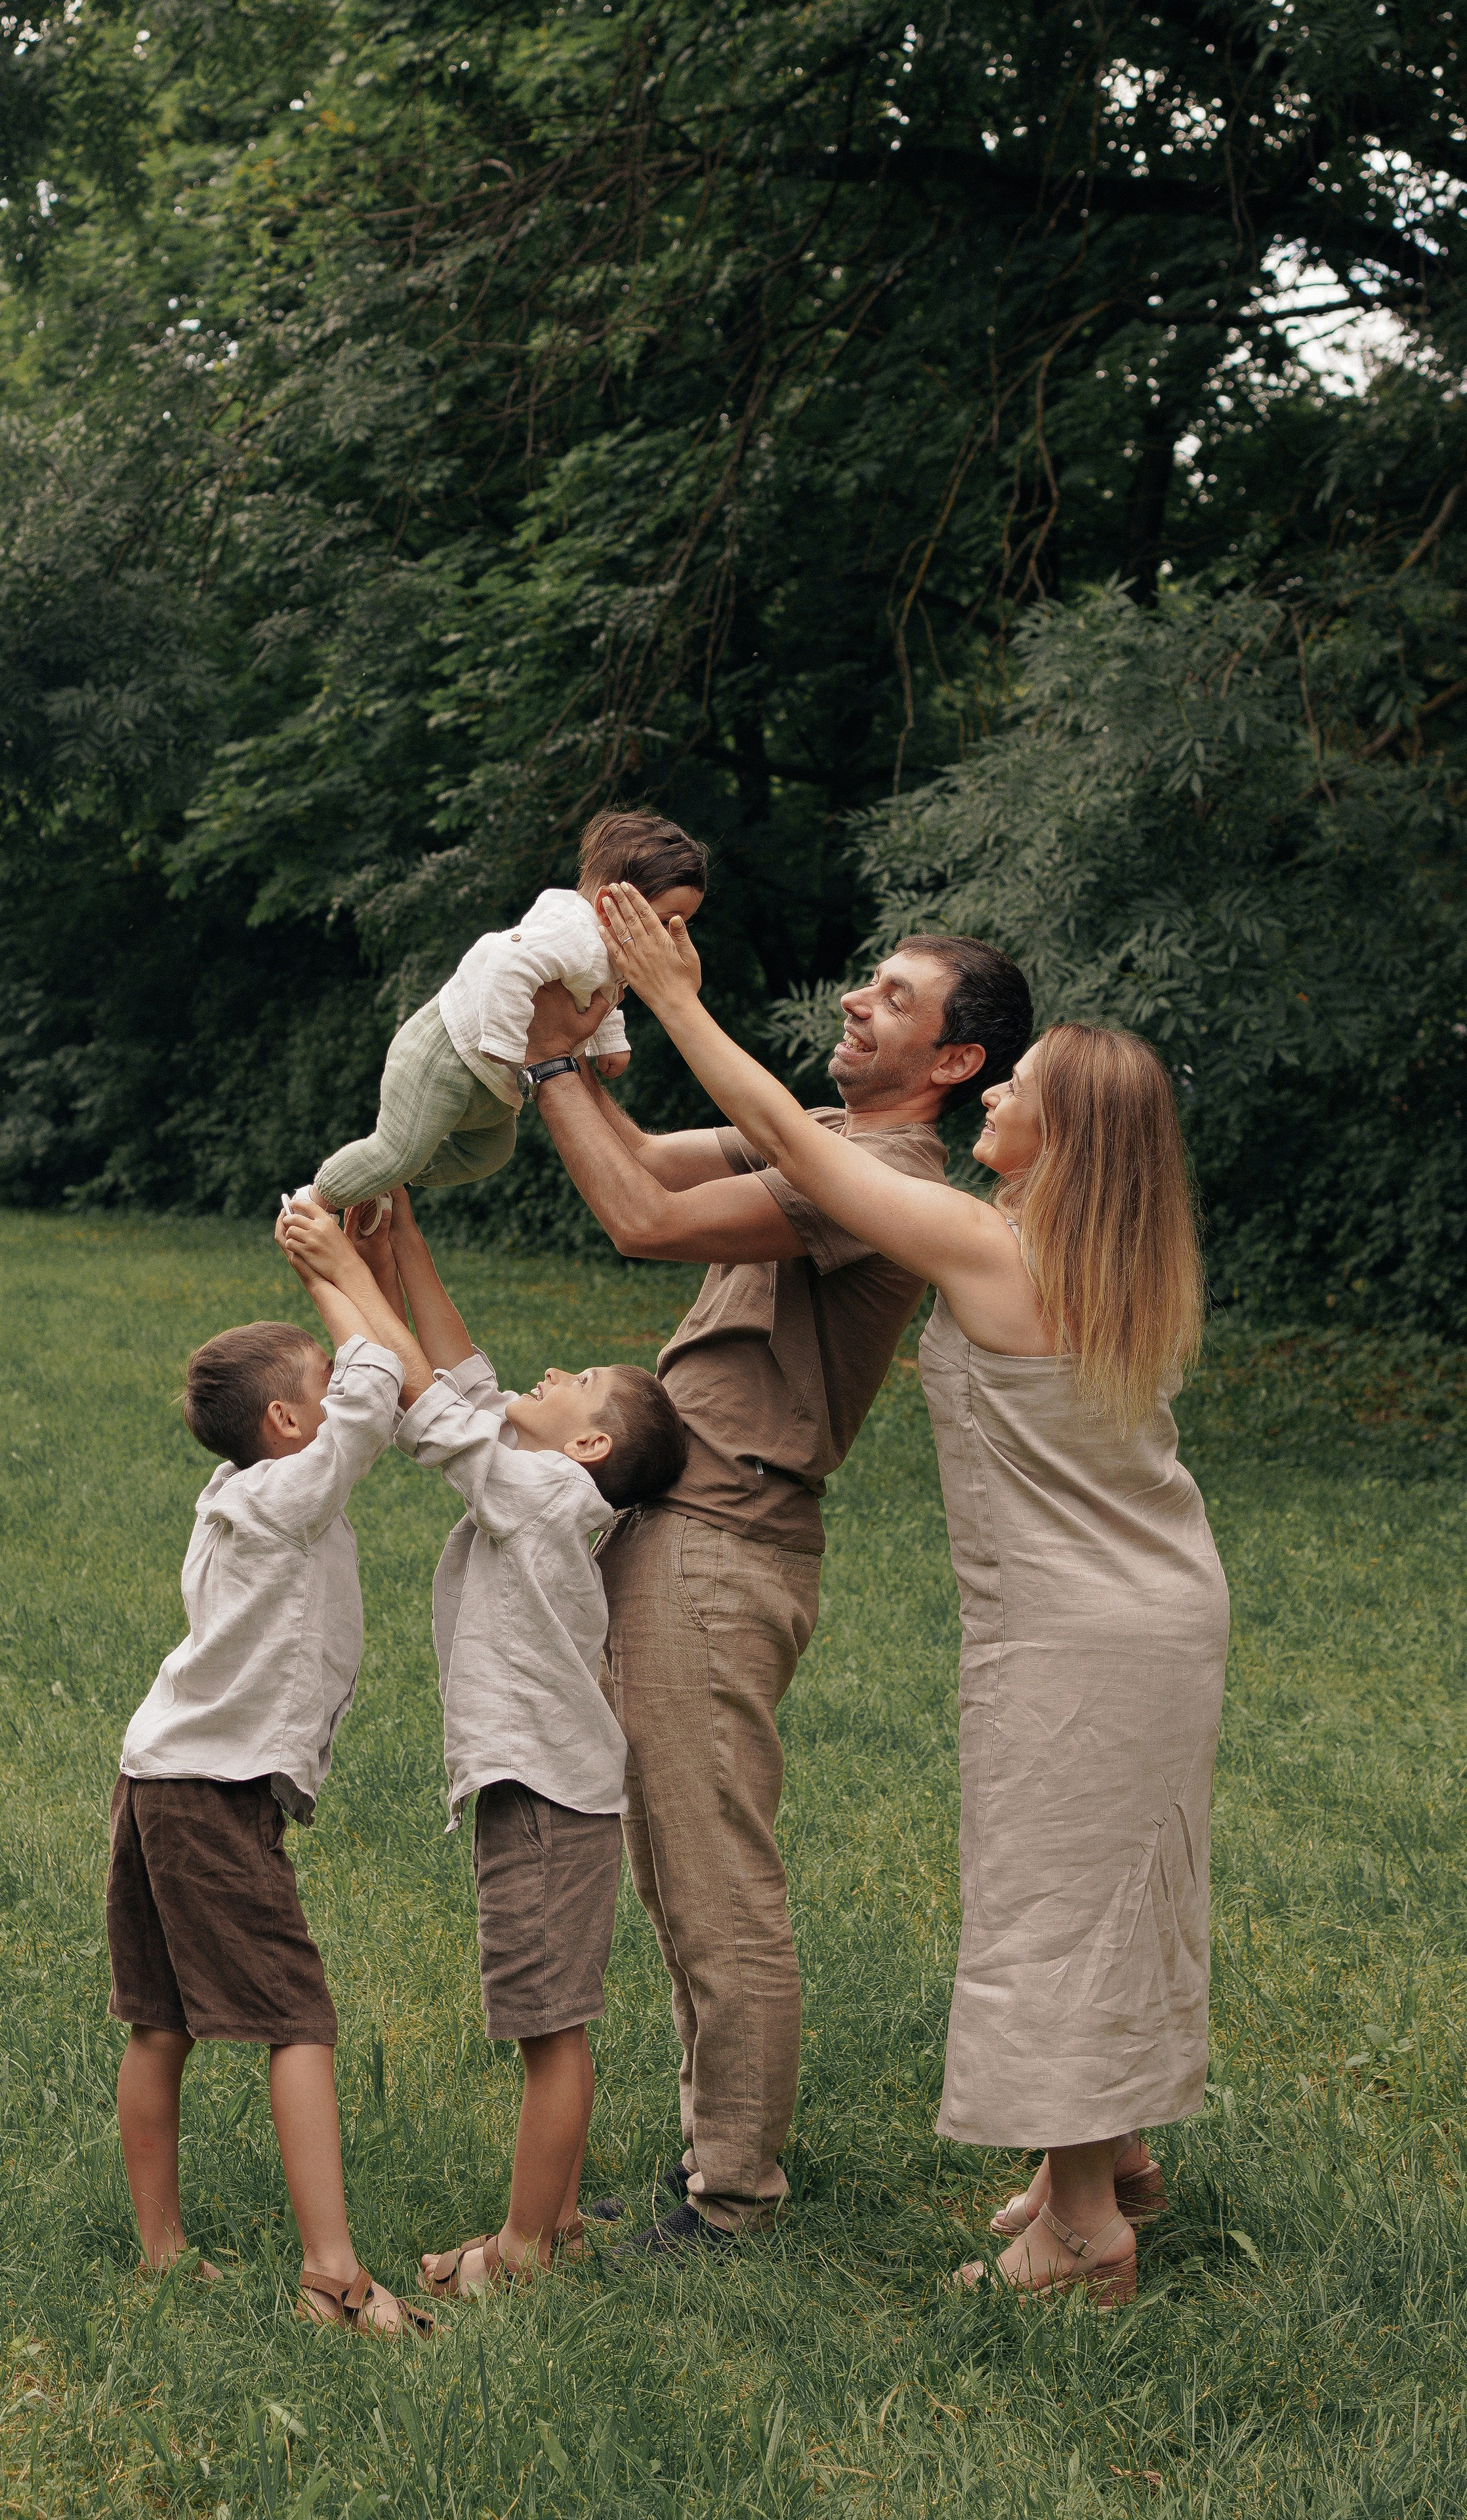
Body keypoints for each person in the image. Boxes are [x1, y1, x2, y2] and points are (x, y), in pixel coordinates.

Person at [598, 881, 1228, 2305]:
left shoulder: (992, 1246)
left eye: (1022, 1088)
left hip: (1076, 1632)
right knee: (1117, 1887)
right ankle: (1105, 2157)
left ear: (1062, 1139)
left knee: (1050, 1901)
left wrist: (679, 1000)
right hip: (1149, 1614)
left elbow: (799, 1160)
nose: (994, 1094)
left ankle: (1083, 2241)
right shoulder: (1098, 1260)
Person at [514, 924, 1033, 2252]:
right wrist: (567, 1044)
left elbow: (641, 1223)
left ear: (954, 1058)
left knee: (711, 1879)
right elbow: (630, 1161)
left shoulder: (879, 1176)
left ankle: (732, 2198)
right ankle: (710, 2163)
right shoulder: (813, 1131)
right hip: (686, 1530)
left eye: (895, 1000)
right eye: (869, 981)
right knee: (674, 1870)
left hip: (724, 1542)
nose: (856, 1002)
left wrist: (558, 1063)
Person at [283, 1192, 688, 2298]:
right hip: (549, 1791)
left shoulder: (547, 1496)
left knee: (550, 2035)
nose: (552, 1377)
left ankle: (521, 2256)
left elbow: (425, 1402)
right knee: (547, 2025)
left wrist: (332, 1271)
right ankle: (539, 2229)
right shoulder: (548, 1480)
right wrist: (397, 1243)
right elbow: (460, 1381)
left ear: (592, 1445)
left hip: (546, 1799)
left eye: (580, 1386)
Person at [107, 1208, 437, 2338]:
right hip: (209, 1798)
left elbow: (362, 1379)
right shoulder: (290, 1498)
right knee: (298, 2019)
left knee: (162, 2023)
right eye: (321, 1378)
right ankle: (330, 2277)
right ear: (291, 1421)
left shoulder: (247, 1496)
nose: (341, 1370)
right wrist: (333, 1266)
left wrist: (333, 1273)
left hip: (160, 1777)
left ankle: (162, 2258)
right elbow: (382, 1383)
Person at [306, 811, 708, 1223]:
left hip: (493, 1081)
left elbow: (602, 994)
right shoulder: (576, 934)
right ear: (611, 903)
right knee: (398, 1152)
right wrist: (505, 1041)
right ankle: (314, 1202)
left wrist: (612, 1043)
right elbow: (505, 959)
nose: (669, 936)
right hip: (452, 1052)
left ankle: (382, 1177)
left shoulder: (607, 949)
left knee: (488, 1155)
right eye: (661, 922)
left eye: (682, 924)